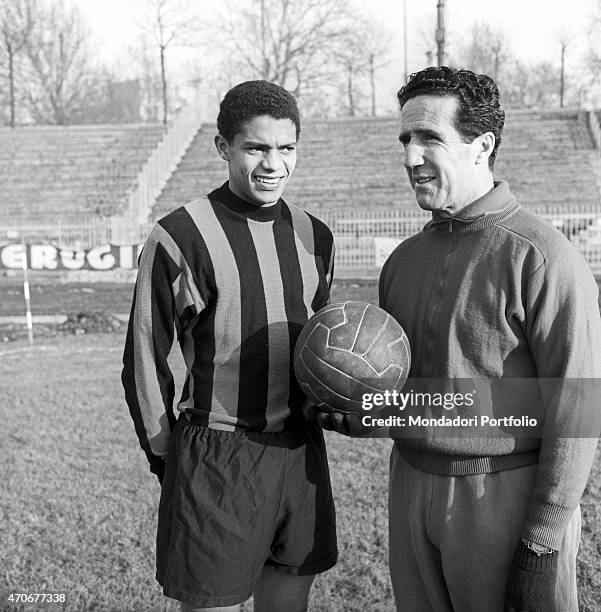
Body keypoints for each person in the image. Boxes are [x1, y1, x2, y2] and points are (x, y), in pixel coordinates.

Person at [374, 65, 601, 611]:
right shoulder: (402, 261)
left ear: (482, 145)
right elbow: (415, 391)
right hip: (409, 489)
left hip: (501, 495)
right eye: (406, 138)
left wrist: (541, 542)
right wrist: (360, 412)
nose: (411, 156)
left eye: (430, 138)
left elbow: (579, 411)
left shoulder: (542, 257)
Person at [121, 80, 337, 612]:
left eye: (286, 148)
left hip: (300, 453)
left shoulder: (316, 236)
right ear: (224, 147)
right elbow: (144, 360)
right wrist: (167, 457)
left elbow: (323, 347)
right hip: (218, 456)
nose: (273, 163)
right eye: (256, 147)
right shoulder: (180, 236)